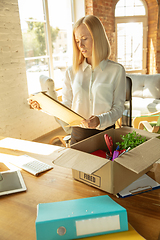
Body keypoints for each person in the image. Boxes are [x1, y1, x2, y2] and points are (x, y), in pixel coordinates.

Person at [29, 15, 126, 145]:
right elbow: (67, 106)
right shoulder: (71, 72)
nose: (80, 45)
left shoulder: (116, 70)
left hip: (105, 136)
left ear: (98, 38)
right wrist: (43, 107)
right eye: (77, 40)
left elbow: (118, 109)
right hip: (78, 135)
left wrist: (99, 120)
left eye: (85, 39)